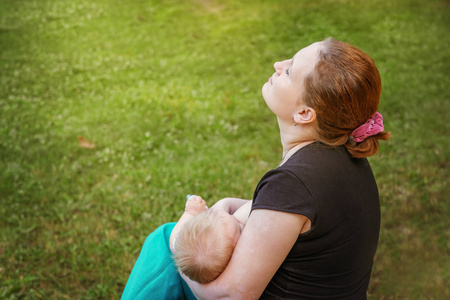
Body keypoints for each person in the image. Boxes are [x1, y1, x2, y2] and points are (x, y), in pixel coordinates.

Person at [122, 37, 390, 299]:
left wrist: (177, 241)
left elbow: (228, 296)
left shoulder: (294, 183)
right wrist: (227, 204)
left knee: (163, 244)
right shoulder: (342, 151)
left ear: (305, 114)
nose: (277, 64)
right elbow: (293, 218)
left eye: (290, 70)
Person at [170, 195, 250, 284]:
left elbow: (173, 240)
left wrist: (191, 212)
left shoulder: (177, 244)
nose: (235, 217)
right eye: (239, 227)